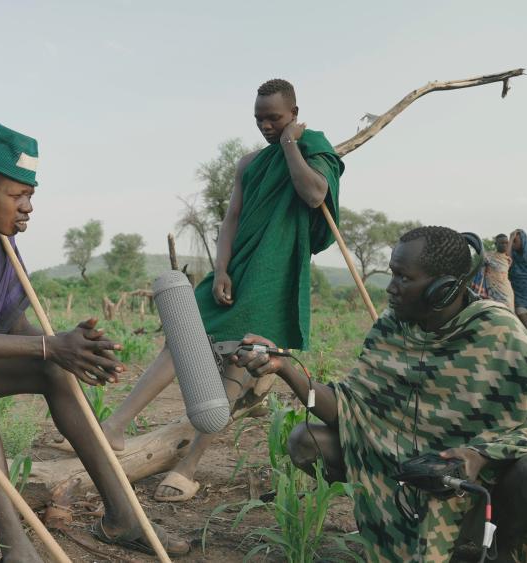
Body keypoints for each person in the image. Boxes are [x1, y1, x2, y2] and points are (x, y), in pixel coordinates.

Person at [0, 123, 189, 560]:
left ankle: (122, 516)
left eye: (31, 197)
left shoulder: (0, 243)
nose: (27, 208)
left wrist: (69, 348)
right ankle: (15, 544)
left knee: (51, 367)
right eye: (17, 196)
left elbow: (13, 325)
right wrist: (48, 345)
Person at [233, 226, 527, 562]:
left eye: (404, 277)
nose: (391, 287)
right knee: (306, 440)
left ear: (445, 288)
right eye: (392, 273)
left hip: (483, 483)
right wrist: (285, 368)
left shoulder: (498, 332)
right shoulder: (392, 327)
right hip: (407, 467)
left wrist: (480, 455)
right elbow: (350, 408)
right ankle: (405, 528)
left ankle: (490, 547)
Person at [98, 78, 344, 502]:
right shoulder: (249, 164)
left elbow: (314, 193)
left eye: (275, 118)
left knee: (239, 366)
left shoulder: (313, 151)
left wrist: (290, 145)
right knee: (183, 337)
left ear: (295, 115)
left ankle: (189, 465)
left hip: (275, 275)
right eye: (259, 119)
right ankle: (114, 427)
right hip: (238, 267)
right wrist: (223, 269)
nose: (266, 126)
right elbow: (231, 219)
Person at [475, 233, 514, 309]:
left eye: (506, 243)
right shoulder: (488, 256)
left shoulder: (508, 260)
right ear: (496, 244)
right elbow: (480, 268)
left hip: (506, 291)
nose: (504, 245)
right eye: (502, 243)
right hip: (492, 292)